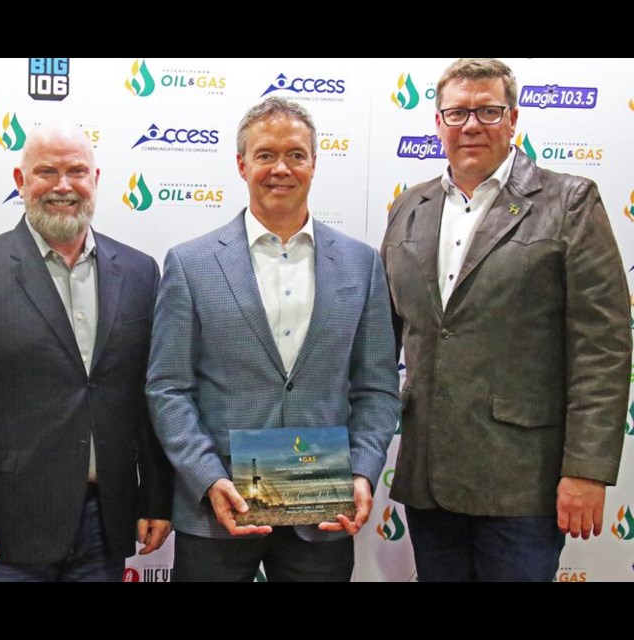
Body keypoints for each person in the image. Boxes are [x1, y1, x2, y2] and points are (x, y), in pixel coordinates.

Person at [382, 58, 631, 582]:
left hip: (524, 482)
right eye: (457, 113)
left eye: (488, 111)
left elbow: (603, 347)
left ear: (513, 119)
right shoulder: (408, 208)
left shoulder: (568, 202)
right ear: (438, 123)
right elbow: (383, 341)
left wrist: (585, 470)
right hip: (428, 477)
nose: (471, 125)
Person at [146, 96, 400, 582]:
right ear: (242, 165)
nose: (280, 168)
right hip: (218, 508)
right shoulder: (191, 264)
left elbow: (377, 389)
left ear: (314, 164)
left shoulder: (361, 264)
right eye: (265, 155)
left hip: (322, 511)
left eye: (295, 155)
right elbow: (167, 388)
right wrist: (207, 478)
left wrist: (364, 472)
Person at [0, 123, 173, 582]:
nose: (62, 185)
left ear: (96, 178)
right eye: (46, 171)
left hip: (106, 523)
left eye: (77, 171)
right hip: (4, 529)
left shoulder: (139, 272)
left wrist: (156, 497)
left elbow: (149, 398)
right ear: (20, 180)